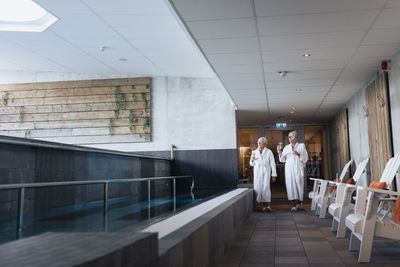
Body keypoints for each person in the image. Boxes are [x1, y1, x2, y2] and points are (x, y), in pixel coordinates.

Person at [277, 131, 308, 211]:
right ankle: (293, 204)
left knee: (299, 185)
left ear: (295, 138)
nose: (289, 138)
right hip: (289, 169)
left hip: (298, 168)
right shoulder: (287, 147)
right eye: (288, 137)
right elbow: (282, 159)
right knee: (291, 186)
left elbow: (305, 158)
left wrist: (298, 154)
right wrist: (280, 153)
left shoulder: (301, 146)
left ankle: (299, 203)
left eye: (290, 137)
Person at [249, 137, 277, 212]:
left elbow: (272, 164)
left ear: (265, 144)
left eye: (261, 143)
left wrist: (274, 174)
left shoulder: (269, 152)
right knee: (258, 188)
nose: (259, 144)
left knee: (266, 188)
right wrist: (252, 160)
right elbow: (251, 163)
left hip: (266, 172)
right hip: (258, 173)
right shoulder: (254, 152)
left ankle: (267, 205)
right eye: (259, 143)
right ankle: (261, 205)